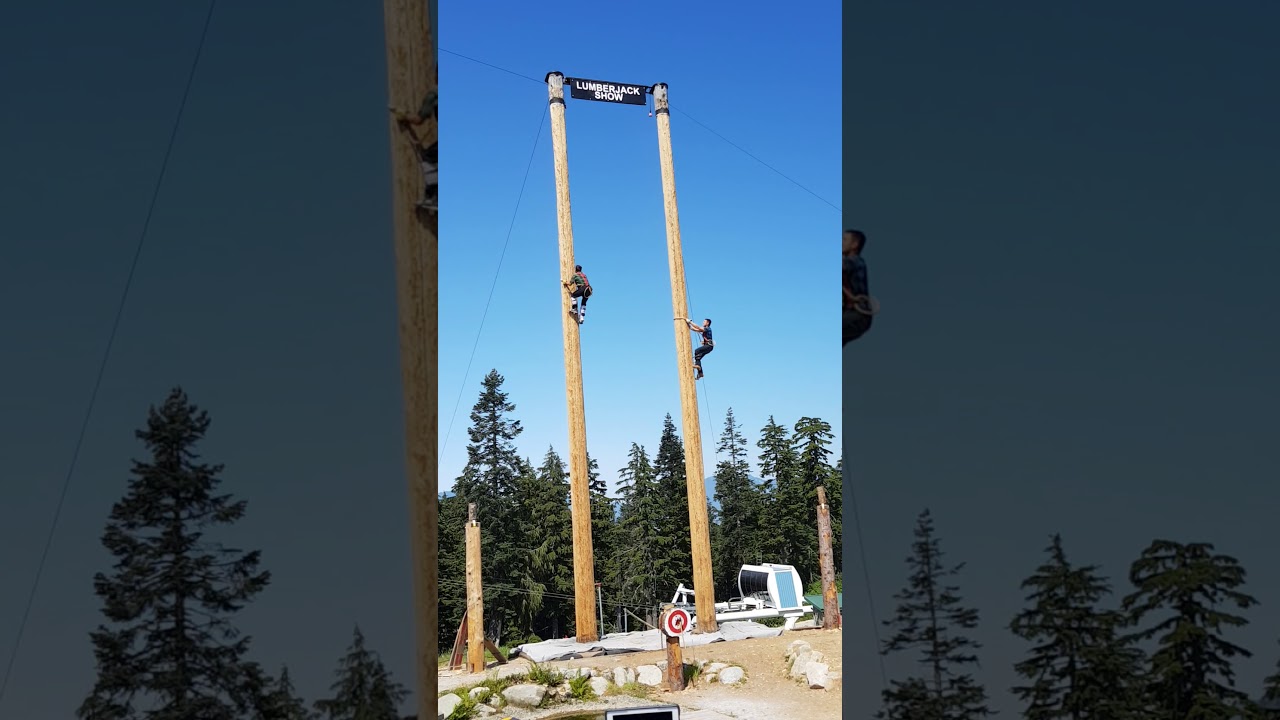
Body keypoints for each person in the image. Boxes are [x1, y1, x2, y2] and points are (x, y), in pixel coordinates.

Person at [390, 82, 438, 214]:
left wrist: (403, 115)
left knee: (429, 158)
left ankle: (433, 197)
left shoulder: (434, 95)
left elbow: (418, 120)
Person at [843, 229, 874, 345]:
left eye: (844, 240)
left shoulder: (857, 262)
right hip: (848, 314)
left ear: (854, 245)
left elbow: (844, 265)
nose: (841, 243)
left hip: (858, 316)